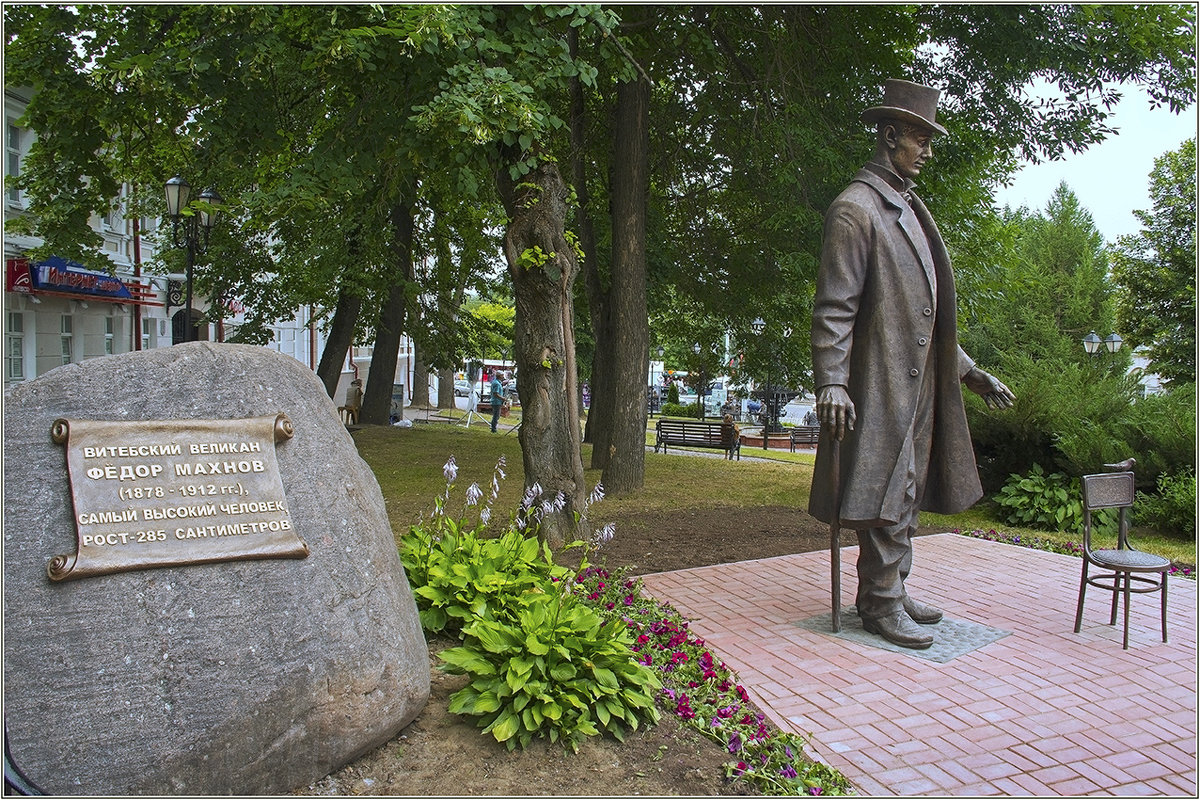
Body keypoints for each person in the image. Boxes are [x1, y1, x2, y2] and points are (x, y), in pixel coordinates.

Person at [808, 79, 1015, 650]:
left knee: (908, 485)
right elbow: (834, 309)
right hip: (878, 384)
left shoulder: (903, 206)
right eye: (920, 138)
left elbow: (923, 316)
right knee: (885, 486)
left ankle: (892, 587)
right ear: (890, 134)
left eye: (930, 139)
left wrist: (968, 369)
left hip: (918, 382)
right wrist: (832, 381)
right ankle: (879, 603)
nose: (927, 150)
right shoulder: (855, 210)